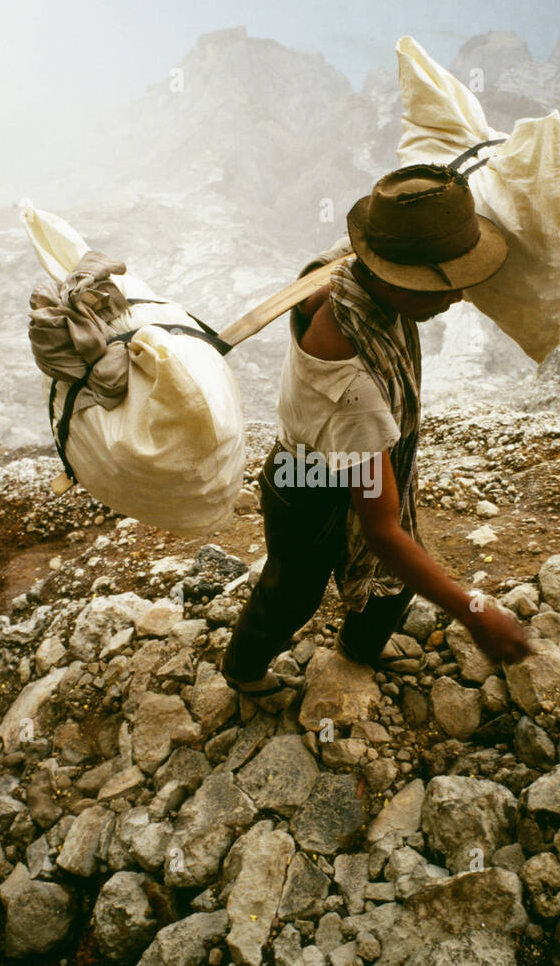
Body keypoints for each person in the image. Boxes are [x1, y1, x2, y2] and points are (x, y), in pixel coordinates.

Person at [222, 163, 532, 696]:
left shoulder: (340, 267)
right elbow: (382, 533)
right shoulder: (353, 388)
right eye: (436, 288)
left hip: (340, 457)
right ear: (391, 279)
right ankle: (243, 672)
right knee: (293, 591)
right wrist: (475, 612)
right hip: (307, 480)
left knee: (391, 587)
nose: (452, 299)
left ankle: (358, 651)